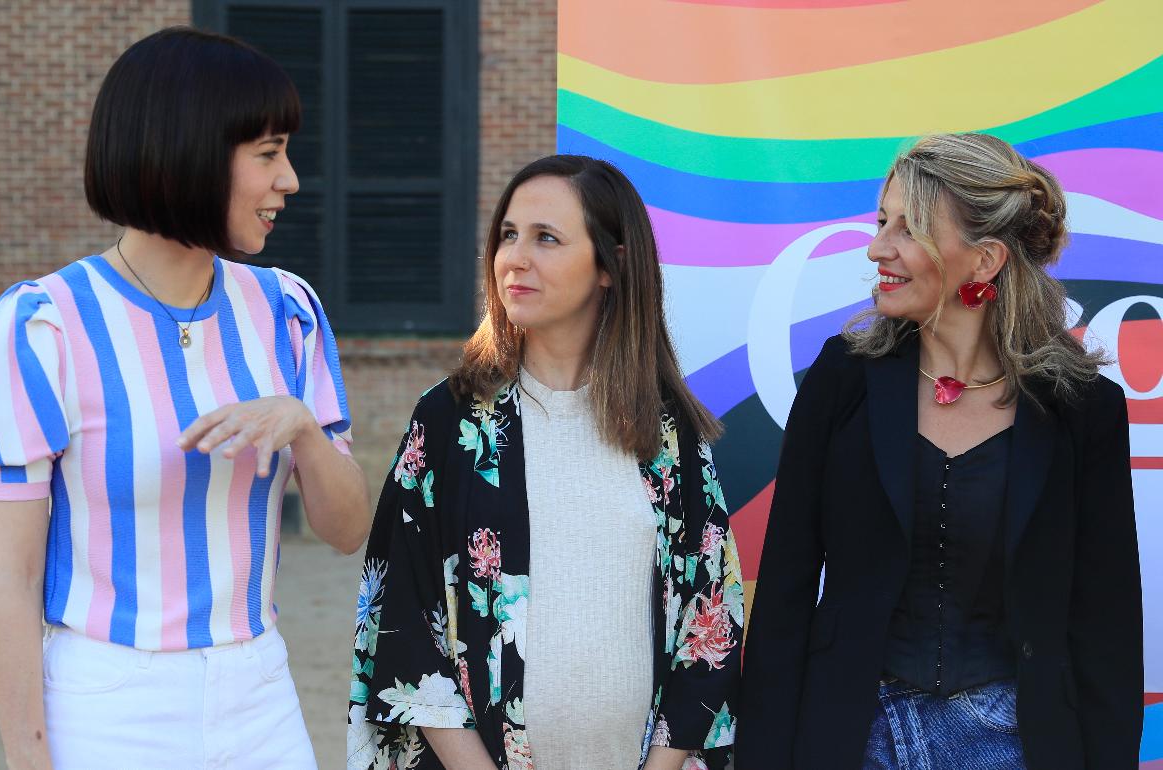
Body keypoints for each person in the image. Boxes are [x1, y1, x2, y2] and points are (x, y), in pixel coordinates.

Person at [0, 27, 370, 769]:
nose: (291, 180)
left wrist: (303, 428)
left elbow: (346, 532)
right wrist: (26, 757)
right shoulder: (43, 325)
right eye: (268, 154)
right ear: (191, 151)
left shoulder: (287, 311)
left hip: (260, 693)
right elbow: (9, 585)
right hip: (105, 702)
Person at [736, 133, 1142, 769]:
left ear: (984, 261)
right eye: (881, 221)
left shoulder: (1083, 410)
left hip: (1015, 744)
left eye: (909, 227)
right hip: (850, 739)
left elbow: (1106, 625)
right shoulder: (842, 381)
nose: (877, 248)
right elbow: (784, 594)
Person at [347, 155, 743, 770]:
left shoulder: (668, 434)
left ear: (611, 266)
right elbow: (398, 615)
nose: (514, 258)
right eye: (508, 235)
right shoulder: (450, 422)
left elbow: (708, 619)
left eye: (546, 238)